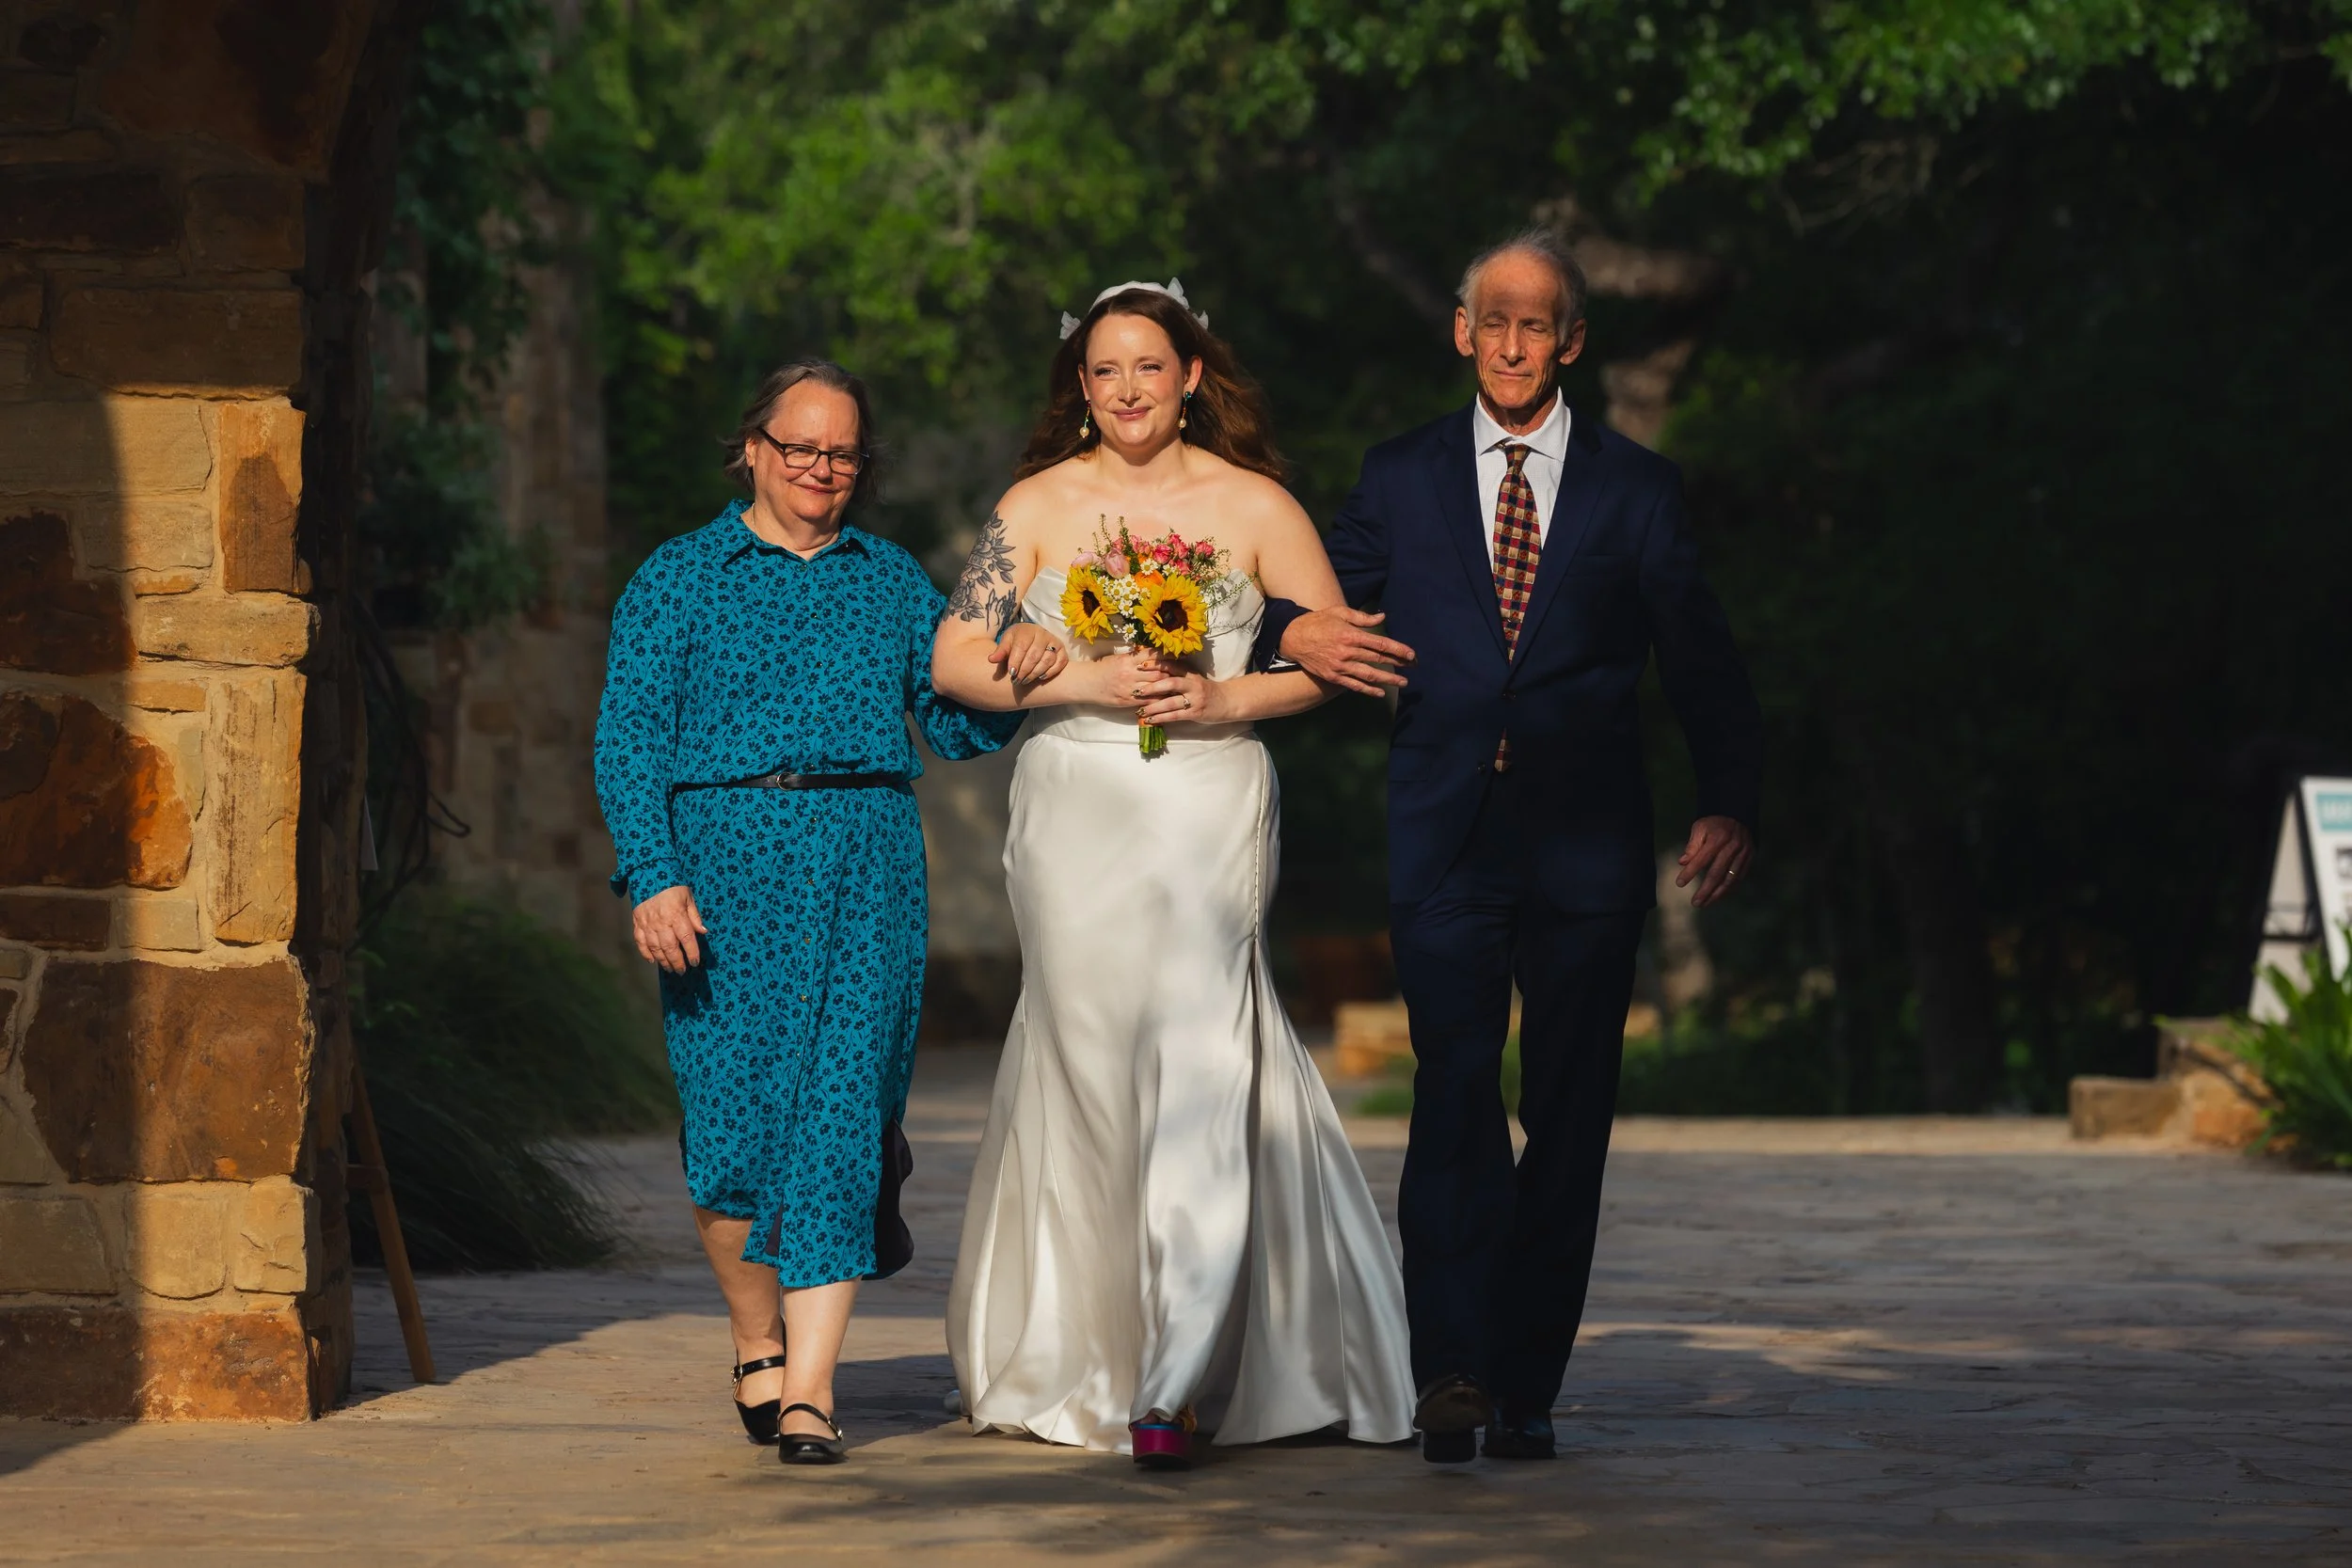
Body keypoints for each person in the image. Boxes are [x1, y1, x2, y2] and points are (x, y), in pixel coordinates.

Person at [1254, 230, 1765, 1462]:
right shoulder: (1398, 477)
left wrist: (1728, 794)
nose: (1514, 344)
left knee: (1570, 1113)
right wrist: (1287, 629)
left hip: (1588, 849)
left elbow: (1699, 653)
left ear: (1572, 342)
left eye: (1539, 325)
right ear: (1461, 331)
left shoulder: (1636, 489)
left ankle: (1530, 1375)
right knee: (1455, 1094)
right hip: (1447, 841)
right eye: (1495, 320)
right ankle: (1454, 1370)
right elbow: (1307, 597)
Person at [932, 281, 1417, 1468]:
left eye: (1150, 366)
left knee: (1202, 1060)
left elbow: (1334, 655)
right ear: (1079, 386)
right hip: (1075, 806)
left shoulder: (1253, 504)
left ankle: (1175, 1374)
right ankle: (1087, 1353)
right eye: (1105, 371)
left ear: (1191, 374)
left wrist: (1223, 692)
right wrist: (1063, 675)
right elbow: (954, 659)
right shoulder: (1035, 506)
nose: (1129, 390)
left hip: (1206, 795)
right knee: (1090, 1060)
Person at [593, 359, 1067, 1466]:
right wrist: (651, 874)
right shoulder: (675, 577)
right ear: (752, 446)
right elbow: (628, 743)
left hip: (865, 866)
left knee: (843, 1121)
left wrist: (1025, 674)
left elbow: (948, 727)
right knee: (730, 1136)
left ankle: (809, 1387)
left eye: (843, 451)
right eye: (800, 445)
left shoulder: (891, 579)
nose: (821, 467)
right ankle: (757, 1336)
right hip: (721, 871)